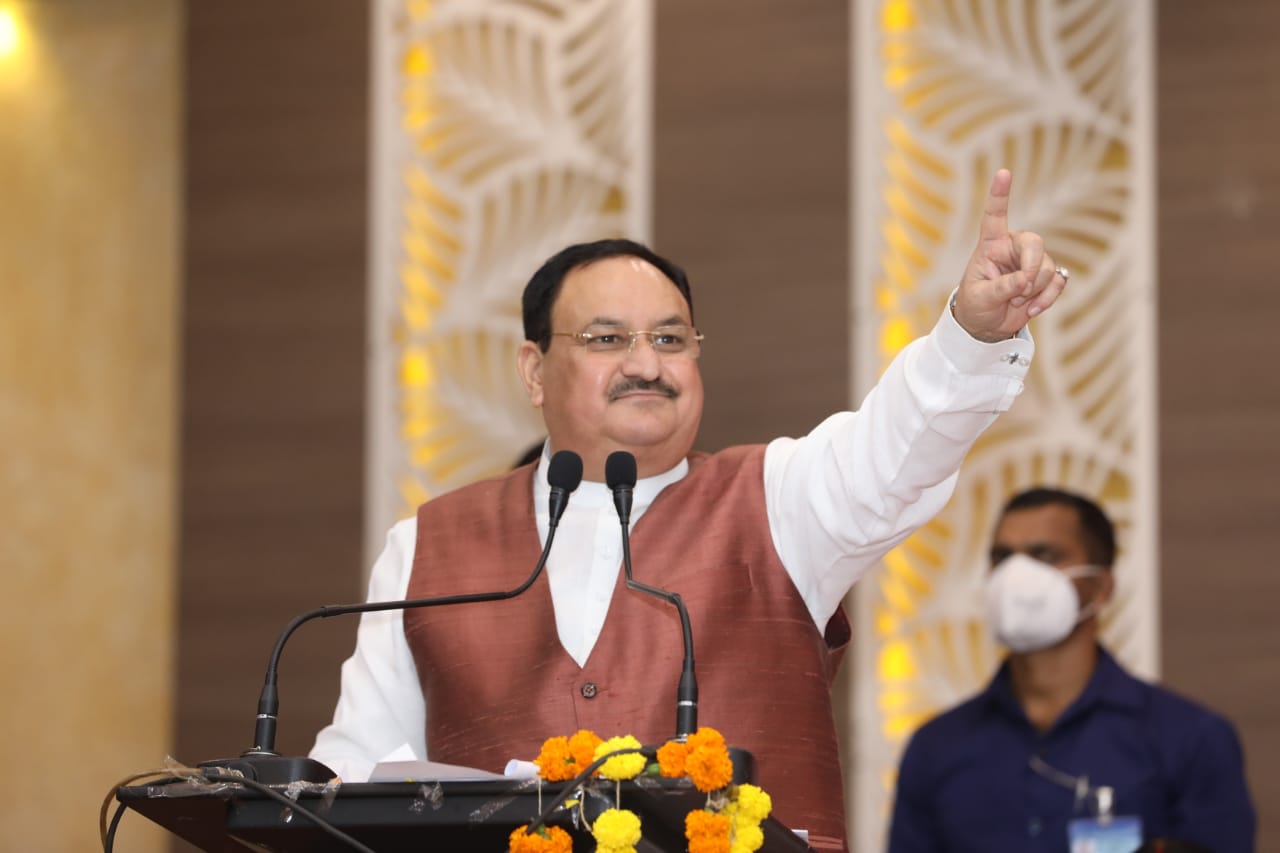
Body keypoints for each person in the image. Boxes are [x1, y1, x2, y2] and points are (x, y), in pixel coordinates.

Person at [311, 170, 1067, 852]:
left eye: (670, 339)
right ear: (535, 370)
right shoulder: (426, 547)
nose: (646, 363)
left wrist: (969, 336)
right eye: (608, 338)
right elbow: (351, 785)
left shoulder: (780, 497)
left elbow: (897, 445)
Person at [886, 488, 1256, 853]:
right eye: (1002, 557)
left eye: (1043, 556)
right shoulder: (936, 747)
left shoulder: (1191, 739)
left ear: (1100, 587)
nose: (1016, 575)